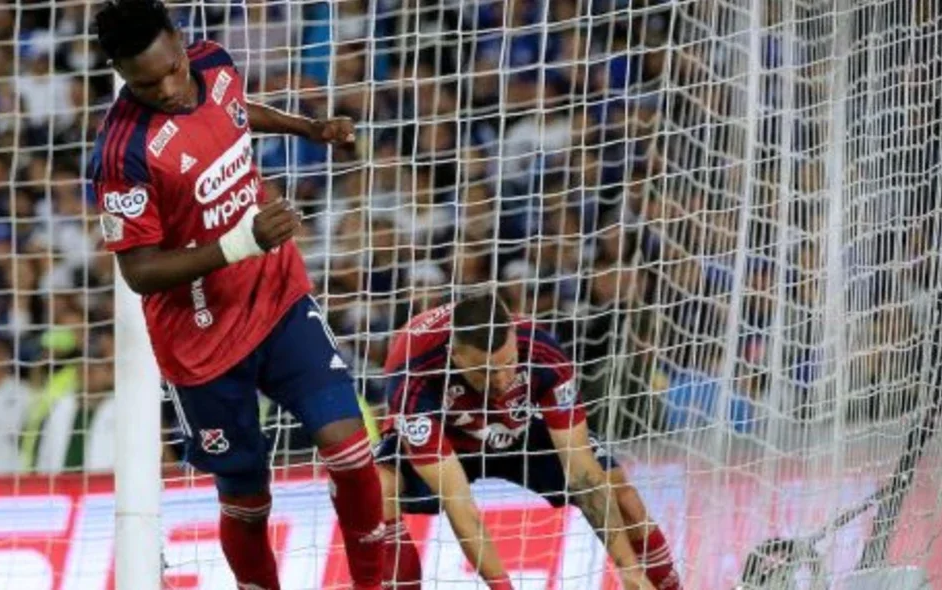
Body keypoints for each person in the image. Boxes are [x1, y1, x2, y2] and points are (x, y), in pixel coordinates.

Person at [90, 2, 382, 588]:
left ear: (180, 42)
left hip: (276, 297)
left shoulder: (214, 63)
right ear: (121, 74)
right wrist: (242, 241)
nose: (168, 89)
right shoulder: (122, 155)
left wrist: (308, 128)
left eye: (172, 69)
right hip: (203, 345)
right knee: (248, 499)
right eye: (146, 84)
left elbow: (234, 111)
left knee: (350, 450)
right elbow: (139, 272)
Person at [375, 294, 681, 590]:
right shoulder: (412, 375)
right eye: (484, 372)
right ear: (455, 355)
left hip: (520, 429)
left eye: (509, 363)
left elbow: (581, 471)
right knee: (379, 489)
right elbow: (459, 503)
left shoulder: (541, 350)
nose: (501, 379)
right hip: (448, 438)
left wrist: (628, 568)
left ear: (513, 337)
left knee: (622, 495)